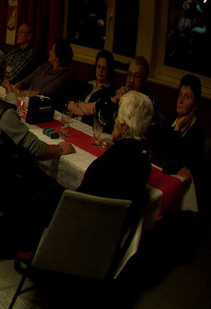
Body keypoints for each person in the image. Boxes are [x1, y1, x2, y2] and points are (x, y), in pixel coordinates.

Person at [0, 46, 74, 251]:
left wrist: (10, 93)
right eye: (2, 68)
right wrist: (60, 149)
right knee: (58, 189)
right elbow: (37, 149)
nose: (5, 72)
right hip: (3, 190)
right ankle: (28, 247)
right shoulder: (2, 114)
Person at [78, 90, 153, 217]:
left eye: (116, 117)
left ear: (124, 127)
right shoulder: (145, 163)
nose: (115, 121)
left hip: (85, 222)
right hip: (117, 226)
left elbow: (78, 201)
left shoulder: (105, 164)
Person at [150, 74, 206, 209]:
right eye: (180, 95)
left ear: (195, 105)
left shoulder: (198, 129)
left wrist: (178, 129)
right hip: (163, 175)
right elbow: (155, 151)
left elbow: (174, 165)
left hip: (180, 191)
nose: (180, 100)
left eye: (187, 97)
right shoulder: (171, 117)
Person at [7, 39, 73, 103]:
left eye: (52, 50)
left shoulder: (63, 76)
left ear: (58, 56)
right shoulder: (45, 67)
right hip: (24, 99)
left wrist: (20, 93)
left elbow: (44, 93)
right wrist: (17, 86)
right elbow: (27, 80)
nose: (49, 52)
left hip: (37, 103)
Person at [65, 49, 115, 122]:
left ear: (109, 70)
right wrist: (85, 111)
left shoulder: (110, 91)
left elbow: (94, 112)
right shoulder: (87, 84)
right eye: (98, 67)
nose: (100, 71)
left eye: (104, 68)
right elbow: (69, 105)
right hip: (73, 121)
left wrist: (78, 104)